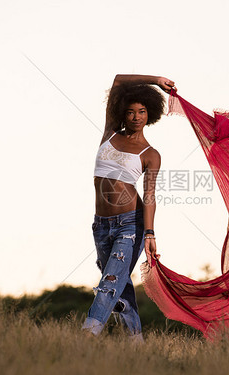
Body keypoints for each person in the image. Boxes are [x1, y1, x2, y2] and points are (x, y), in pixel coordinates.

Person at [82, 74, 176, 340]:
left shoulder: (150, 154)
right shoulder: (110, 132)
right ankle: (136, 345)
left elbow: (149, 195)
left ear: (150, 114)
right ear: (122, 112)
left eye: (143, 111)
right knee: (120, 286)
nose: (137, 117)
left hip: (130, 224)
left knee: (109, 284)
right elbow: (118, 80)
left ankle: (87, 335)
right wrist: (156, 80)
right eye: (132, 111)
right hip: (101, 225)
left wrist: (149, 233)